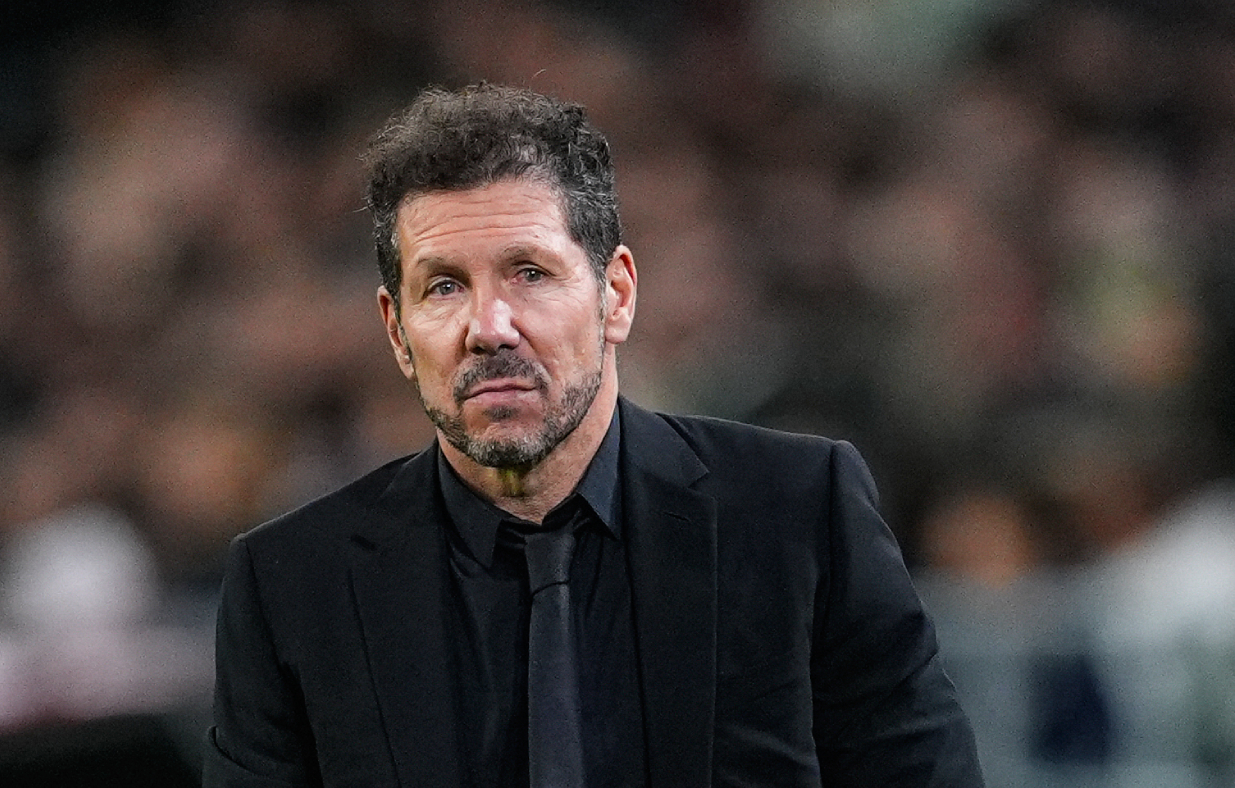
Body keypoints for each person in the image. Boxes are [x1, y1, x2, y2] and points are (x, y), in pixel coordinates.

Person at [203, 83, 984, 787]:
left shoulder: (799, 515)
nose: (489, 327)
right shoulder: (292, 587)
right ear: (397, 333)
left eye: (529, 273)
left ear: (617, 295)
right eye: (443, 286)